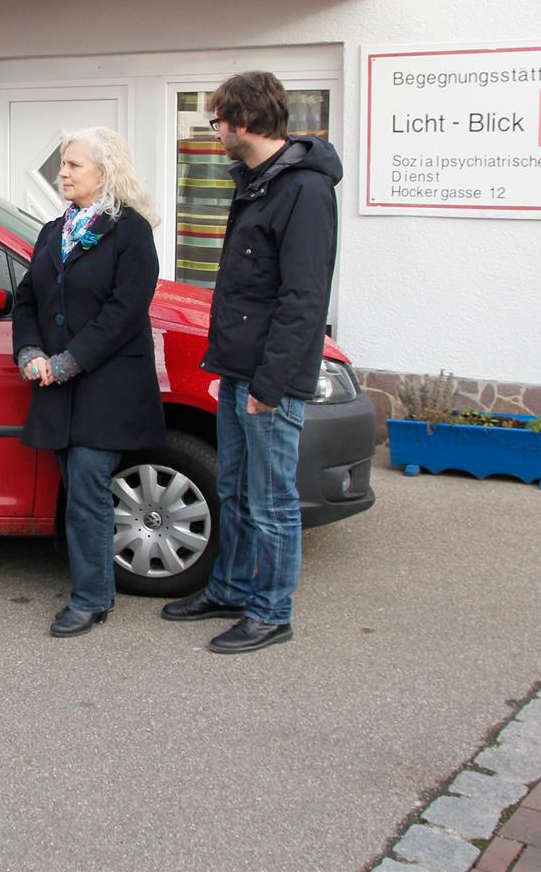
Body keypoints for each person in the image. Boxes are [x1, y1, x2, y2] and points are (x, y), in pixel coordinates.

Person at [161, 71, 341, 654]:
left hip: (270, 379)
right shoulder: (258, 181)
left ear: (242, 121)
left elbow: (304, 298)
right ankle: (231, 588)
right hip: (237, 370)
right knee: (236, 489)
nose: (214, 132)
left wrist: (270, 382)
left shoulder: (304, 190)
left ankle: (271, 612)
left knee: (271, 500)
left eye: (216, 121)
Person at [12, 127, 164, 638]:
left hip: (106, 384)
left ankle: (91, 598)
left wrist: (69, 361)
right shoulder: (53, 231)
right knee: (78, 486)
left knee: (87, 489)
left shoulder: (131, 232)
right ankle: (93, 588)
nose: (64, 173)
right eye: (63, 164)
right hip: (57, 385)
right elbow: (27, 299)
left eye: (74, 165)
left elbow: (124, 312)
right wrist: (31, 351)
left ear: (105, 172)